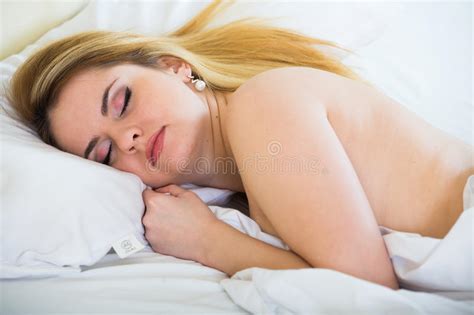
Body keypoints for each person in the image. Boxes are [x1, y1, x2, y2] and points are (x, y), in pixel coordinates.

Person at [6, 0, 473, 290]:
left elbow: (366, 290)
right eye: (104, 153)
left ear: (175, 68)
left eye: (123, 100)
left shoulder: (262, 106)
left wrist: (209, 242)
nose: (126, 138)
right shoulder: (246, 189)